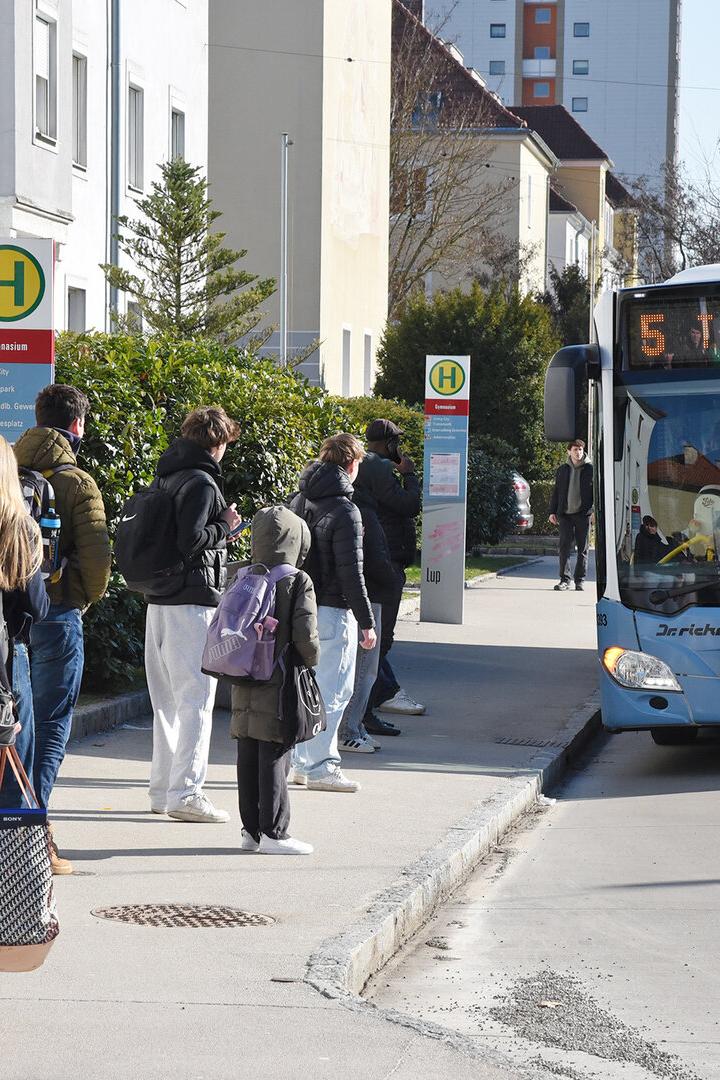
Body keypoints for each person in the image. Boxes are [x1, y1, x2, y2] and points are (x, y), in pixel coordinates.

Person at [14, 385, 111, 873]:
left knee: (16, 727)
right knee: (52, 723)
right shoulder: (78, 480)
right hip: (57, 611)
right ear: (77, 425)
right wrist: (81, 601)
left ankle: (13, 827)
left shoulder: (9, 468)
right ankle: (34, 836)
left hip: (12, 616)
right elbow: (97, 562)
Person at [144, 406, 242, 823]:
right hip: (191, 602)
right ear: (217, 443)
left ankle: (163, 790)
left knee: (166, 702)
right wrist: (227, 525)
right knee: (197, 701)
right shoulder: (202, 482)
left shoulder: (166, 475)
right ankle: (187, 793)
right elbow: (192, 540)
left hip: (159, 601)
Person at [289, 433, 376, 792]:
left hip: (302, 606)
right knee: (335, 690)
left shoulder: (300, 499)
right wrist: (367, 621)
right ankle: (322, 765)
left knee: (305, 687)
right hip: (335, 609)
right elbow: (351, 572)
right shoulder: (346, 510)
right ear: (352, 464)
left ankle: (299, 760)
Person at [231, 506, 318, 854]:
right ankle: (274, 832)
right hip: (279, 677)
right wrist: (311, 661)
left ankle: (250, 831)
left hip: (241, 673)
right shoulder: (296, 580)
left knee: (247, 747)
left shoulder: (243, 574)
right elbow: (306, 636)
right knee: (275, 750)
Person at [355, 419, 423, 738]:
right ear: (387, 443)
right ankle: (367, 709)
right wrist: (409, 475)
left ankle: (376, 700)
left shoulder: (370, 467)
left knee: (375, 641)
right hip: (386, 561)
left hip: (385, 558)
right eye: (396, 441)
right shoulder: (380, 467)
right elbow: (408, 505)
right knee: (379, 641)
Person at [0, 437, 49, 815]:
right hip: (8, 655)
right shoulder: (21, 529)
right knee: (15, 765)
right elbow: (36, 606)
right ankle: (14, 862)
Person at [339, 481, 399, 754]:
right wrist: (392, 581)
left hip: (351, 595)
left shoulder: (326, 501)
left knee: (357, 670)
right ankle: (350, 729)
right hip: (368, 594)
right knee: (364, 670)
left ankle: (355, 726)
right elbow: (373, 558)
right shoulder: (360, 509)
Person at [549, 438, 593, 592]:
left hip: (583, 514)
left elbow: (596, 493)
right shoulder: (562, 470)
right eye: (575, 449)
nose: (578, 452)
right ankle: (564, 580)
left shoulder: (590, 469)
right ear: (568, 451)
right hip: (565, 515)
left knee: (583, 548)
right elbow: (557, 492)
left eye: (580, 449)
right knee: (564, 547)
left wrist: (593, 511)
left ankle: (580, 581)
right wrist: (552, 512)